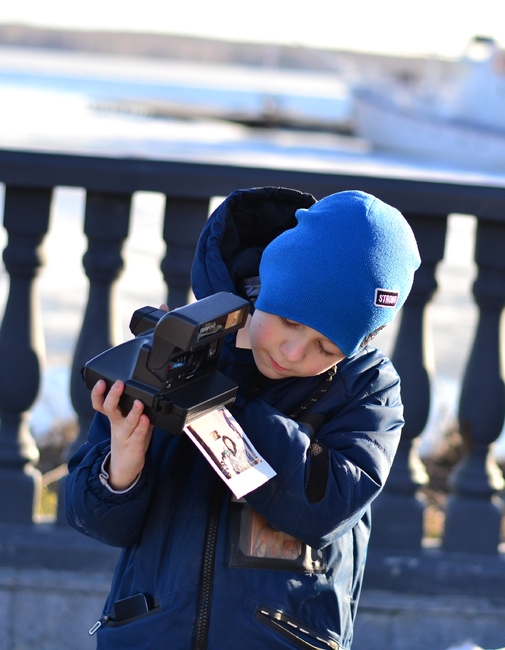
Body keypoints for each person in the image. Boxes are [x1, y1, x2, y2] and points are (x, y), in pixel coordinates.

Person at [65, 187, 421, 650]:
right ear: (266, 283)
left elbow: (323, 506)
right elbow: (95, 523)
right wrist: (121, 470)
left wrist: (217, 402)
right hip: (149, 632)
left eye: (327, 347)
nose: (294, 352)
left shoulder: (367, 388)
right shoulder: (176, 353)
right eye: (289, 321)